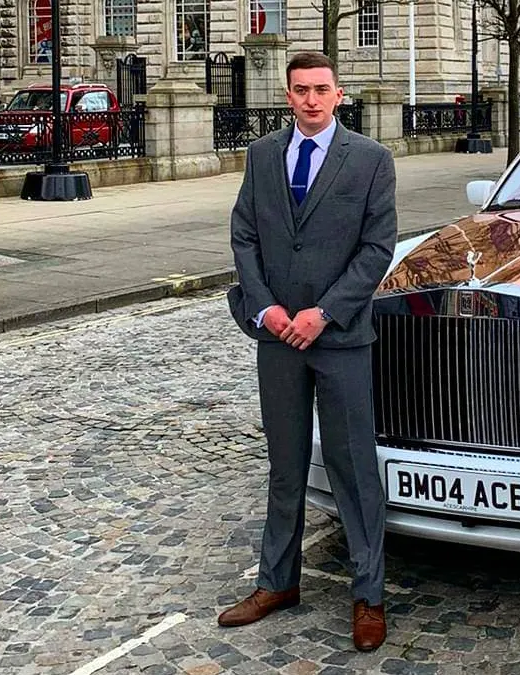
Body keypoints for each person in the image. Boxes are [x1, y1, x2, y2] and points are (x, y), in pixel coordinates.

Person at [220, 51, 397, 652]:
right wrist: (266, 308)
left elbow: (377, 249)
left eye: (322, 90)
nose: (312, 100)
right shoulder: (263, 156)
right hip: (277, 337)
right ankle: (278, 582)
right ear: (288, 95)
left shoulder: (371, 161)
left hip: (339, 337)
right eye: (301, 91)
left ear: (339, 94)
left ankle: (368, 595)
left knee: (353, 467)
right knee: (285, 464)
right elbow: (244, 233)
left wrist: (323, 313)